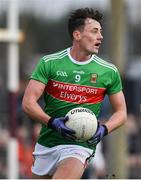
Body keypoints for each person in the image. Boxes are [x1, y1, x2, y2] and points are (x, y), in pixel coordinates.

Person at [22, 7, 127, 179]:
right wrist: (53, 123)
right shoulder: (50, 63)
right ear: (77, 35)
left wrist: (104, 129)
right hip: (47, 143)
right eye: (94, 31)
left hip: (79, 147)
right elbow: (28, 103)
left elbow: (121, 112)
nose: (100, 36)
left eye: (100, 31)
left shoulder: (108, 71)